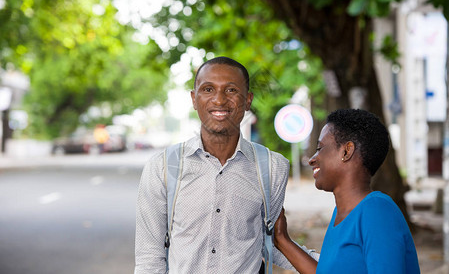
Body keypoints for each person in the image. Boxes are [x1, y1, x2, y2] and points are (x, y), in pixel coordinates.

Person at [134, 56, 317, 273]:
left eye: (231, 90)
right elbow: (149, 258)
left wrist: (337, 263)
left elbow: (269, 243)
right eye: (208, 89)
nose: (219, 100)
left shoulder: (272, 167)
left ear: (248, 100)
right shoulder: (163, 167)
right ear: (194, 99)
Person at [274, 108, 420, 274]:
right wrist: (281, 239)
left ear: (346, 151)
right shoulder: (342, 213)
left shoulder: (377, 212)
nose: (312, 159)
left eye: (320, 148)